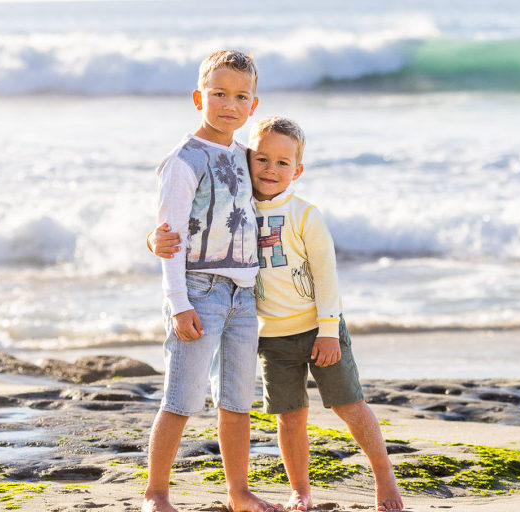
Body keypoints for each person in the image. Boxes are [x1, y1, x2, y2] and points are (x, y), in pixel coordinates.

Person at [149, 117, 404, 512]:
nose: (271, 169)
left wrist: (329, 330)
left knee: (349, 405)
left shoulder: (305, 214)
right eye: (262, 159)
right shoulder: (242, 203)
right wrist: (153, 238)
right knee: (289, 416)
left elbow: (326, 275)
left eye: (283, 163)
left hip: (319, 329)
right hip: (271, 337)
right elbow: (190, 223)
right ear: (247, 160)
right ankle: (299, 490)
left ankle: (386, 481)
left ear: (297, 170)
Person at [144, 50, 281, 512]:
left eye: (241, 96)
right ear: (198, 97)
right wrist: (178, 302)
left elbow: (278, 189)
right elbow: (170, 236)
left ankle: (239, 493)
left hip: (244, 296)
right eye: (219, 94)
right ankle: (156, 493)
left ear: (253, 105)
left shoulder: (246, 155)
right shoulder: (185, 160)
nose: (229, 104)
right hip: (198, 293)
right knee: (181, 397)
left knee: (237, 401)